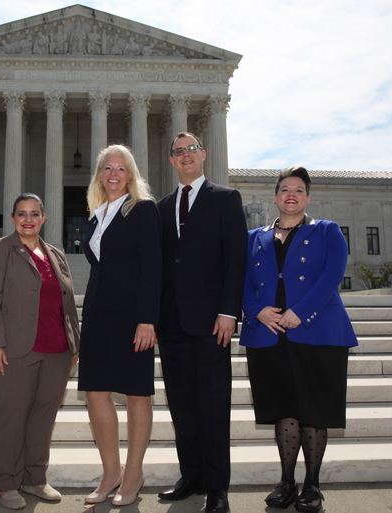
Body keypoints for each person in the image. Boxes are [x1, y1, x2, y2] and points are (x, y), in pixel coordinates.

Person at [240, 166, 358, 513]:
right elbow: (241, 279)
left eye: (299, 190)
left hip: (316, 332)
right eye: (285, 189)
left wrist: (300, 312)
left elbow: (330, 277)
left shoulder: (327, 231)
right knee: (283, 410)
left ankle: (313, 485)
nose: (291, 195)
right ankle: (287, 481)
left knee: (313, 411)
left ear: (307, 197)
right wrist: (257, 310)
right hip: (268, 332)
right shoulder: (254, 237)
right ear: (275, 196)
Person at [156, 132, 247, 513]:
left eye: (191, 149)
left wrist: (229, 311)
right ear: (172, 161)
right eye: (179, 152)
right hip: (172, 323)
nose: (185, 156)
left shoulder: (226, 199)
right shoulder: (161, 208)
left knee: (212, 405)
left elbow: (236, 258)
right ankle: (191, 475)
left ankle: (217, 486)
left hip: (212, 323)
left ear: (203, 155)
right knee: (181, 405)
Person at [0, 193, 80, 510]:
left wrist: (75, 342)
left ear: (44, 218)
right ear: (13, 218)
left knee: (42, 417)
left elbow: (67, 303)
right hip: (11, 350)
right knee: (9, 417)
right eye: (22, 213)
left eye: (34, 213)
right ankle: (7, 483)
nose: (28, 219)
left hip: (56, 350)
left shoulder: (56, 255)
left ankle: (35, 479)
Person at [78, 144, 161, 507]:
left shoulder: (142, 210)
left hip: (132, 316)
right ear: (99, 175)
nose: (113, 174)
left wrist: (147, 319)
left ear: (131, 175)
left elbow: (152, 267)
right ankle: (110, 471)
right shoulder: (97, 214)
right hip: (98, 313)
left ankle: (133, 474)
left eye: (121, 168)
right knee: (96, 392)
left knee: (136, 394)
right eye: (107, 168)